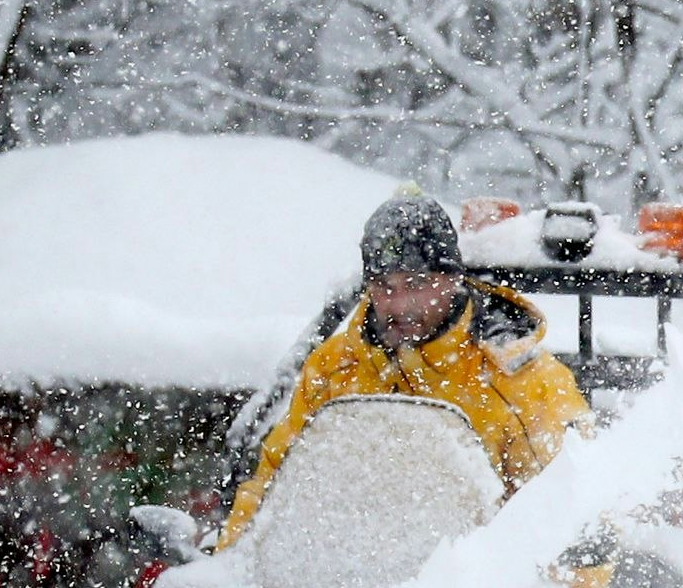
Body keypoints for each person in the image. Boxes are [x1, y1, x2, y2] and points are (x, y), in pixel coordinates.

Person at [220, 187, 591, 548]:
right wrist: (232, 566)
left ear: (452, 278)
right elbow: (270, 486)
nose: (399, 305)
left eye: (417, 284)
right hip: (335, 582)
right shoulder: (334, 366)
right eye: (384, 287)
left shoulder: (521, 378)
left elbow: (569, 518)